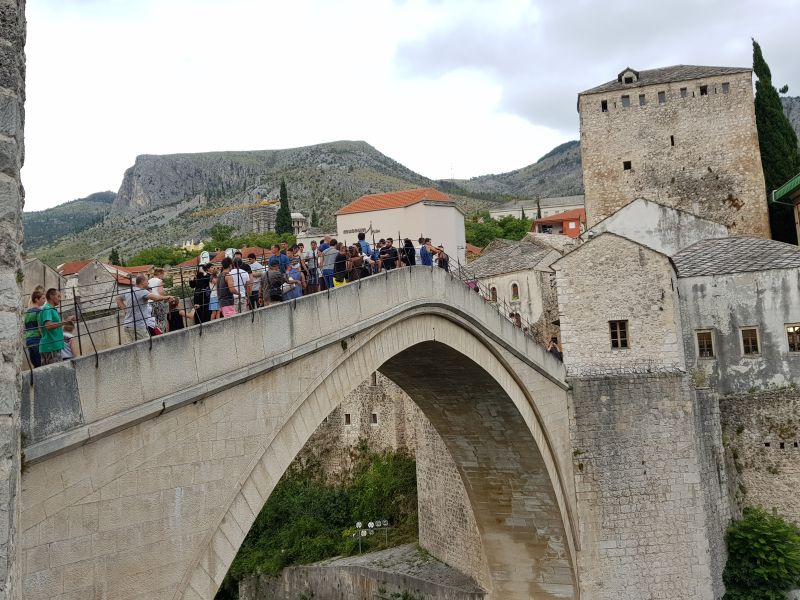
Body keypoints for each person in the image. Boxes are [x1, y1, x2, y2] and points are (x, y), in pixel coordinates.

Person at [117, 275, 172, 342]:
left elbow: (118, 298)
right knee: (147, 346)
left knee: (133, 349)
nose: (148, 283)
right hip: (139, 327)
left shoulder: (129, 290)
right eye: (147, 281)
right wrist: (168, 297)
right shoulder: (142, 292)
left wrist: (125, 309)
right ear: (142, 282)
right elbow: (156, 298)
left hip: (127, 325)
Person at [38, 288, 73, 365]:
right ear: (51, 296)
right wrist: (65, 322)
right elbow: (48, 325)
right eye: (58, 296)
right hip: (51, 347)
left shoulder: (49, 309)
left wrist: (65, 321)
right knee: (56, 373)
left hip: (51, 346)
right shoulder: (48, 308)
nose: (60, 299)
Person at [24, 290, 45, 368]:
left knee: (35, 365)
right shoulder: (39, 311)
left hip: (28, 340)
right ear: (36, 299)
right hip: (37, 339)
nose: (44, 300)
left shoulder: (27, 313)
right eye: (43, 298)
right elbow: (40, 327)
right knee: (41, 364)